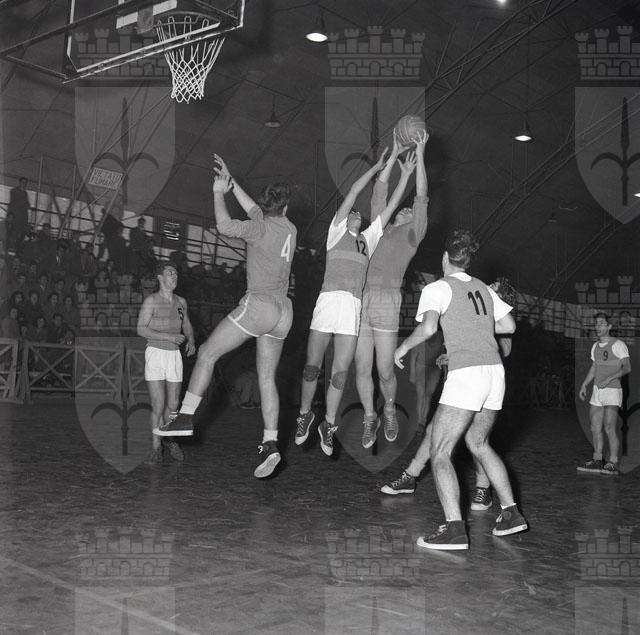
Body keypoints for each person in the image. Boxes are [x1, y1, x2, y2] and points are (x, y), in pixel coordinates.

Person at [155, 155, 297, 480]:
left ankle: (185, 416)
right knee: (266, 378)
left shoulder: (258, 227)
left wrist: (219, 192)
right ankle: (270, 443)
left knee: (207, 353)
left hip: (260, 305)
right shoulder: (289, 227)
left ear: (266, 206)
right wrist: (233, 184)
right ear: (285, 208)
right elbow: (257, 210)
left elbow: (225, 226)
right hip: (284, 312)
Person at [393, 230, 526, 550]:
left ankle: (454, 529)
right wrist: (476, 325)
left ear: (445, 258)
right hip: (494, 373)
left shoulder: (437, 288)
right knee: (478, 443)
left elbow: (428, 327)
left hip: (467, 373)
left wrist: (403, 347)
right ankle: (511, 513)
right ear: (468, 261)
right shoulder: (483, 288)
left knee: (440, 450)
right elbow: (509, 326)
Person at [294, 147, 417, 456]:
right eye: (351, 213)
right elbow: (352, 192)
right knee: (311, 368)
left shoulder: (370, 239)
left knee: (339, 373)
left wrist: (404, 174)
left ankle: (328, 424)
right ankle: (305, 414)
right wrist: (379, 164)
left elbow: (391, 205)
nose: (355, 214)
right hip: (327, 303)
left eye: (358, 214)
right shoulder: (336, 233)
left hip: (353, 309)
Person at [382, 278, 517, 513]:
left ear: (500, 298)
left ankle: (483, 488)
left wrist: (484, 329)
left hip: (482, 380)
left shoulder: (496, 319)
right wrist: (451, 355)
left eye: (493, 289)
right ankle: (411, 475)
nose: (486, 290)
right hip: (465, 378)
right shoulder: (475, 309)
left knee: (476, 442)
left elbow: (505, 349)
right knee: (436, 430)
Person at [354, 130, 429, 448]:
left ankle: (388, 410)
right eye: (405, 209)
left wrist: (420, 155)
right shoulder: (379, 228)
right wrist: (396, 154)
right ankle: (370, 416)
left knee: (385, 371)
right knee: (361, 368)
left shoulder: (412, 236)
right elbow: (379, 192)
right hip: (361, 299)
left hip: (387, 301)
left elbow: (421, 195)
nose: (407, 210)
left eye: (412, 212)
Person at [137, 260, 196, 464]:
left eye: (176, 273)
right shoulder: (151, 301)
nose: (175, 276)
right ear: (160, 277)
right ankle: (156, 448)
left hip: (174, 356)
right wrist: (168, 337)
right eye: (170, 272)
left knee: (173, 405)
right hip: (155, 353)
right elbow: (141, 328)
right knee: (158, 404)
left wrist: (191, 340)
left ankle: (169, 438)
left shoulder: (181, 302)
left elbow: (186, 324)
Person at [577, 312, 631, 476]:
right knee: (595, 427)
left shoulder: (618, 345)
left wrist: (609, 378)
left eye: (601, 323)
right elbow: (594, 367)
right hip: (597, 392)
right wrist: (584, 384)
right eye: (596, 324)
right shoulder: (595, 347)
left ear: (609, 326)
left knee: (609, 427)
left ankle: (612, 462)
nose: (598, 327)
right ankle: (597, 460)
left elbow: (627, 367)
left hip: (612, 391)